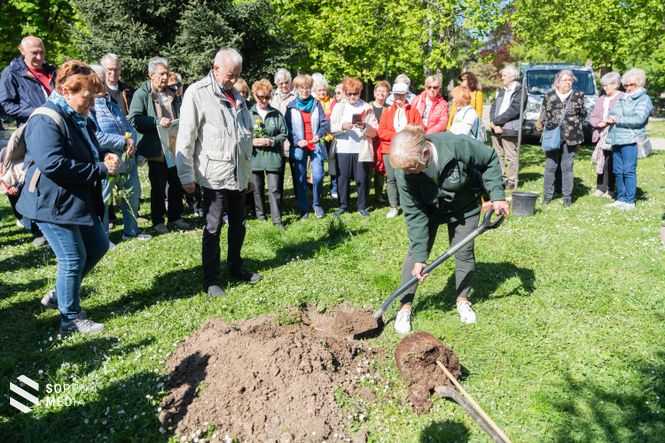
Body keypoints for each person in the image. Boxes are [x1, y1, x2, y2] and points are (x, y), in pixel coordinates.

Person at [16, 60, 119, 334]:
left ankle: (60, 296)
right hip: (51, 203)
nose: (91, 104)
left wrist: (104, 155)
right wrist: (99, 169)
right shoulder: (44, 119)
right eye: (87, 97)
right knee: (72, 258)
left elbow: (87, 148)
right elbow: (53, 164)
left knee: (98, 245)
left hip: (74, 200)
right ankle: (70, 319)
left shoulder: (78, 116)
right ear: (65, 91)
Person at [389, 125, 509, 333]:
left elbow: (489, 159)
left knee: (464, 251)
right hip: (429, 210)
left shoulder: (456, 145)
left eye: (411, 168)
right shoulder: (404, 171)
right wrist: (420, 257)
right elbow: (415, 214)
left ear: (425, 152)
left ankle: (462, 299)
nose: (407, 173)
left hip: (464, 206)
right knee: (414, 255)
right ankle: (405, 307)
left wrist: (497, 195)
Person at [176, 48, 261, 298]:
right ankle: (211, 280)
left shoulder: (237, 96)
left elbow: (245, 139)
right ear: (215, 69)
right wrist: (185, 175)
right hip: (213, 175)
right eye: (230, 75)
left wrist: (247, 174)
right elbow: (186, 137)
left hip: (238, 174)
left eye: (237, 75)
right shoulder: (197, 93)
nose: (234, 80)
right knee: (213, 228)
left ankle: (236, 266)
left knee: (239, 224)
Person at [0, 36, 55, 247]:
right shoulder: (12, 73)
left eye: (42, 51)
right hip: (30, 131)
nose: (39, 56)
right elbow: (5, 104)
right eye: (34, 53)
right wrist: (36, 111)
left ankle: (53, 222)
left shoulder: (52, 71)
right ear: (22, 51)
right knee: (30, 177)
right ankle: (35, 227)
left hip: (54, 129)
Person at [89, 65, 150, 243]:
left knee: (133, 195)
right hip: (106, 161)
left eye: (103, 81)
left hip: (127, 160)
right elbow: (95, 136)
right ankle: (103, 240)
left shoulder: (112, 104)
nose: (102, 84)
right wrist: (123, 141)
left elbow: (128, 126)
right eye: (98, 81)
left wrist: (132, 141)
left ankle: (131, 231)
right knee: (104, 200)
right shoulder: (89, 108)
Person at [129, 56, 188, 234]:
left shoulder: (173, 92)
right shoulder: (142, 94)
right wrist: (156, 121)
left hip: (174, 145)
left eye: (166, 73)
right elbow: (134, 119)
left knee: (176, 183)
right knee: (158, 186)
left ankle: (176, 217)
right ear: (151, 75)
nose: (165, 77)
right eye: (161, 74)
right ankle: (158, 220)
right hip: (156, 148)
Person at [329, 77, 378, 217]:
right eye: (349, 93)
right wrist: (342, 126)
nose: (352, 97)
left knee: (362, 179)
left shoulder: (367, 107)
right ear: (345, 92)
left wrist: (365, 127)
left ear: (360, 92)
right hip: (343, 148)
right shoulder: (339, 106)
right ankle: (342, 206)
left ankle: (362, 206)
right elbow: (330, 128)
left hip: (361, 149)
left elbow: (375, 130)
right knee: (342, 179)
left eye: (355, 93)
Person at [604, 68, 652, 211]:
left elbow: (639, 119)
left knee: (629, 170)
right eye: (626, 85)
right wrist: (609, 118)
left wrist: (617, 119)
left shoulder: (644, 99)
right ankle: (621, 199)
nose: (629, 88)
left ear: (640, 84)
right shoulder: (624, 97)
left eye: (632, 84)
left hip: (631, 139)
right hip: (617, 138)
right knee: (618, 170)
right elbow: (613, 113)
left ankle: (630, 201)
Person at [285, 74, 329, 219]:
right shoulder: (291, 106)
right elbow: (287, 129)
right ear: (296, 89)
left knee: (318, 175)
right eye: (301, 88)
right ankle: (304, 208)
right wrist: (297, 141)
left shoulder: (317, 104)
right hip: (300, 147)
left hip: (315, 145)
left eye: (307, 88)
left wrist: (319, 135)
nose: (305, 90)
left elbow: (324, 124)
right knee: (301, 178)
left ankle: (317, 204)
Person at [540, 70, 586, 207]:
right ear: (558, 82)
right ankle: (548, 195)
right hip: (552, 136)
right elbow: (543, 115)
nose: (568, 83)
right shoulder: (549, 96)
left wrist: (573, 125)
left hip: (572, 136)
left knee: (567, 167)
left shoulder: (578, 95)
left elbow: (582, 114)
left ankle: (567, 197)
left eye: (570, 80)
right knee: (550, 166)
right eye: (565, 80)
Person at [377, 82, 423, 219]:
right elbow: (381, 131)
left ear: (407, 95)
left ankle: (408, 205)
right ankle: (393, 207)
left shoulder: (413, 111)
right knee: (391, 178)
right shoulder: (387, 111)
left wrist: (407, 137)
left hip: (407, 149)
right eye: (396, 94)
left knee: (407, 178)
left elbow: (420, 129)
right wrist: (397, 136)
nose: (398, 97)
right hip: (389, 149)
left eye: (401, 94)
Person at [249, 79, 288, 228]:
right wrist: (252, 141)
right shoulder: (248, 114)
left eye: (267, 97)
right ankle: (261, 217)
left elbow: (284, 133)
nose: (264, 100)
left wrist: (272, 141)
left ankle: (277, 220)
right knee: (257, 189)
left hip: (273, 157)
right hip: (255, 157)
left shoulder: (276, 114)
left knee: (274, 189)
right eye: (261, 97)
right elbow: (242, 134)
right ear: (255, 95)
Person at [589, 71, 623, 199]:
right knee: (601, 160)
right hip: (601, 134)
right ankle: (600, 187)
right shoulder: (601, 99)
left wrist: (612, 120)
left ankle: (610, 189)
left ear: (616, 84)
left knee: (611, 162)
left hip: (615, 134)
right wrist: (599, 123)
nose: (605, 88)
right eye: (603, 85)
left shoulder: (623, 97)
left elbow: (624, 115)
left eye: (607, 85)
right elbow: (593, 117)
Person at [489, 65, 523, 190]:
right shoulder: (502, 90)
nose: (502, 78)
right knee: (497, 154)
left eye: (504, 75)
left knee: (511, 156)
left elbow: (513, 110)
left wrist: (497, 122)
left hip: (510, 128)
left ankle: (512, 180)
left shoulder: (520, 91)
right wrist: (493, 123)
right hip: (496, 127)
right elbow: (493, 107)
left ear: (512, 77)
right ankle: (501, 178)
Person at [270, 68, 298, 205]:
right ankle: (279, 203)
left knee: (297, 174)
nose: (283, 86)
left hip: (294, 141)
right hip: (278, 143)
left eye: (286, 82)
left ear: (290, 81)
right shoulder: (273, 96)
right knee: (278, 176)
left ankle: (300, 202)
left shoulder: (296, 95)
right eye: (280, 83)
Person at [313, 74, 337, 200]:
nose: (322, 92)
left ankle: (334, 189)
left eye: (324, 90)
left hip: (332, 137)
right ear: (315, 91)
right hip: (319, 138)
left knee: (333, 163)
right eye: (319, 90)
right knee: (320, 164)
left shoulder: (332, 102)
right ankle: (320, 190)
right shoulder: (314, 103)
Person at [370, 80, 390, 203]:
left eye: (384, 91)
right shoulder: (367, 106)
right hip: (368, 142)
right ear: (374, 92)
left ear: (388, 94)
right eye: (379, 90)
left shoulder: (389, 109)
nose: (381, 93)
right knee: (366, 169)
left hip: (381, 142)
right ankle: (365, 194)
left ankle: (378, 194)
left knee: (380, 169)